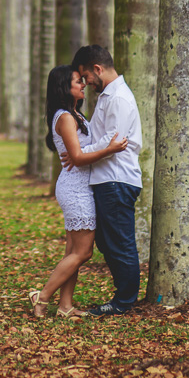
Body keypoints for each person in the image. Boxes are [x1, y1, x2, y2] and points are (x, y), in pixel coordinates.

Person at [29, 65, 128, 318]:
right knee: (83, 252)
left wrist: (91, 152)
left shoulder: (74, 115)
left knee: (72, 252)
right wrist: (110, 149)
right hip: (76, 188)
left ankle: (65, 306)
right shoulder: (65, 117)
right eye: (77, 81)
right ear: (65, 87)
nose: (83, 84)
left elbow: (80, 154)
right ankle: (41, 297)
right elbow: (78, 157)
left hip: (79, 185)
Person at [59, 44, 143, 317]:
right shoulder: (108, 96)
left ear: (98, 69)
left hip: (117, 178)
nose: (85, 83)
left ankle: (125, 300)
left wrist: (80, 155)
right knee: (108, 241)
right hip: (106, 178)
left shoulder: (117, 98)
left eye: (85, 77)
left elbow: (113, 141)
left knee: (119, 241)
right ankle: (123, 294)